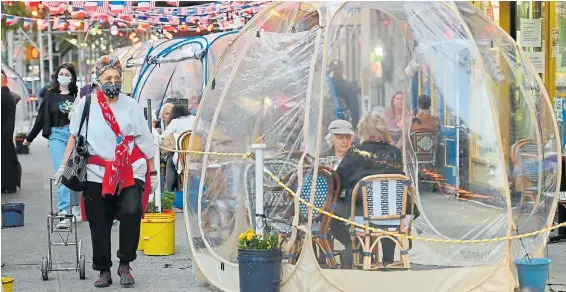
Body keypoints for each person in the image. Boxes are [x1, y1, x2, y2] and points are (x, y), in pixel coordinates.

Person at [57, 55, 157, 288]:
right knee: (99, 221)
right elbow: (74, 137)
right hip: (95, 171)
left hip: (130, 169)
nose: (113, 82)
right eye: (107, 78)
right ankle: (103, 269)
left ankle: (125, 264)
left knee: (132, 212)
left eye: (116, 78)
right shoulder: (86, 104)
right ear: (98, 80)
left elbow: (145, 138)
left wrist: (153, 171)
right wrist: (63, 167)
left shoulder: (131, 105)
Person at [331, 113, 419, 269]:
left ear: (363, 131)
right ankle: (388, 258)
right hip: (396, 216)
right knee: (386, 211)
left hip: (363, 216)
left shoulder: (356, 151)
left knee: (332, 216)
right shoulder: (395, 152)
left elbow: (337, 179)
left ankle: (354, 247)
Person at [24, 63, 79, 228]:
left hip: (74, 136)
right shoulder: (50, 95)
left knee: (74, 172)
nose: (64, 76)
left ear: (72, 77)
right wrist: (29, 138)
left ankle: (75, 206)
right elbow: (41, 118)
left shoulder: (77, 95)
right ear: (56, 76)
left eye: (67, 74)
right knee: (61, 171)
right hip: (56, 136)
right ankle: (64, 212)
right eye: (61, 73)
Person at [1, 69, 22, 193]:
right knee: (8, 159)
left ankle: (8, 185)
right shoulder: (9, 95)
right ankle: (9, 184)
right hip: (7, 134)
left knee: (6, 160)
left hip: (4, 134)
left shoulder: (4, 96)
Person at [328, 60, 361, 127]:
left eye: (337, 69)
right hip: (328, 122)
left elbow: (354, 109)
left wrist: (354, 125)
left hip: (343, 122)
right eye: (333, 69)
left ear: (342, 70)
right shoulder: (327, 85)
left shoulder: (348, 87)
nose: (335, 72)